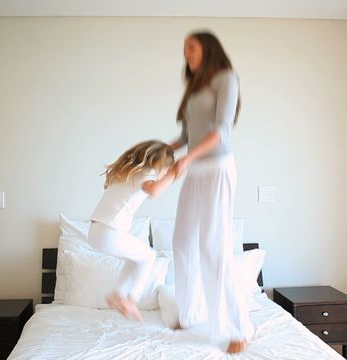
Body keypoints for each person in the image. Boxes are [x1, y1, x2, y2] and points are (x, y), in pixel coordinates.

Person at [170, 31, 253, 353]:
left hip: (217, 169)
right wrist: (167, 149)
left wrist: (186, 158)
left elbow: (221, 131)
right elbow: (187, 134)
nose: (186, 53)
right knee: (181, 241)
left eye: (191, 47)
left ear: (208, 48)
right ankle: (188, 314)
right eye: (184, 49)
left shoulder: (226, 78)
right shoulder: (195, 89)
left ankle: (239, 328)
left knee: (212, 246)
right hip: (196, 170)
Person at [88, 140, 176, 321]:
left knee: (136, 260)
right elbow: (155, 191)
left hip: (96, 232)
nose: (163, 174)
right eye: (164, 169)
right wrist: (174, 173)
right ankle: (130, 299)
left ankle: (119, 295)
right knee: (148, 257)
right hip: (109, 232)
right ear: (159, 165)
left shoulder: (126, 174)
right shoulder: (146, 175)